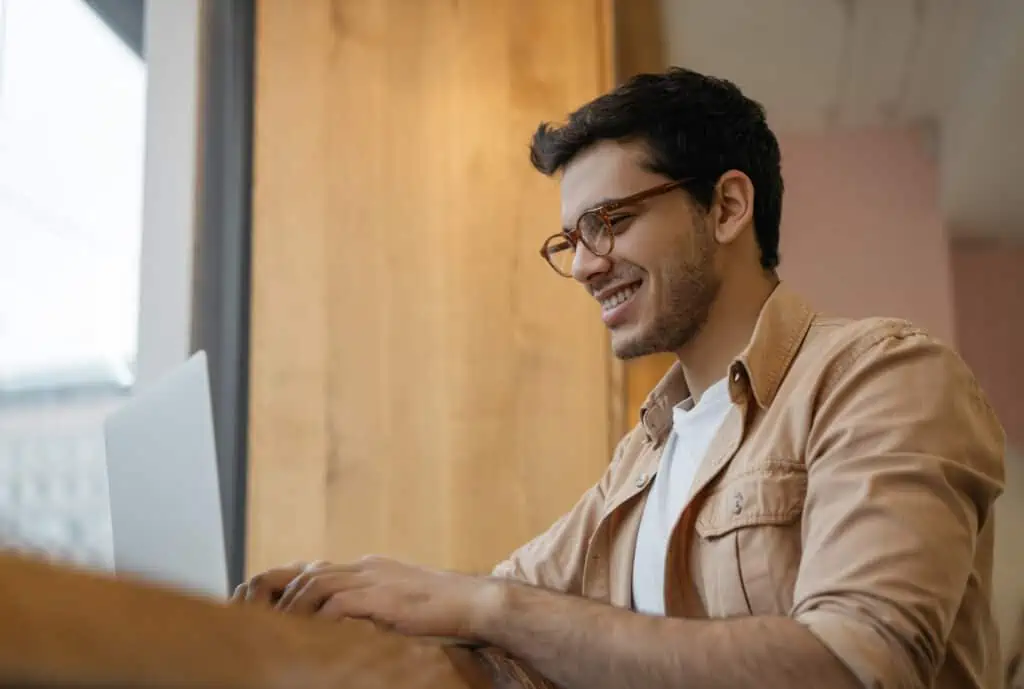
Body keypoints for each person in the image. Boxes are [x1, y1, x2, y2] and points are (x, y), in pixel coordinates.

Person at [234, 67, 1006, 689]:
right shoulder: (643, 457)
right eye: (570, 238)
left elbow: (854, 666)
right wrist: (331, 604)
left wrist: (490, 603)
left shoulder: (884, 375)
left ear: (728, 206)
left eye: (610, 221)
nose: (582, 265)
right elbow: (492, 618)